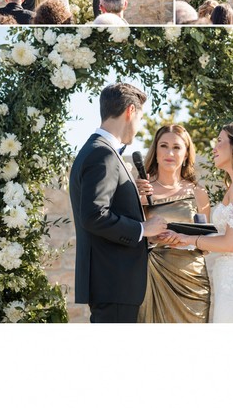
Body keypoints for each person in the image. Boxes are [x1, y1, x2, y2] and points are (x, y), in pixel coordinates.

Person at [160, 122, 233, 323]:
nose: (214, 148)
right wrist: (183, 241)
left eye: (219, 141)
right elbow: (223, 240)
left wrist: (188, 237)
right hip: (228, 287)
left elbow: (232, 244)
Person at [68, 83, 169, 323]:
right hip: (114, 281)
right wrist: (144, 229)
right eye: (141, 117)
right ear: (130, 111)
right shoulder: (102, 154)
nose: (140, 126)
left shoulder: (99, 151)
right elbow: (94, 216)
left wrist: (131, 192)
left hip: (113, 282)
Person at [134, 125, 212, 323]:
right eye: (164, 146)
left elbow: (208, 244)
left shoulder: (198, 193)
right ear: (156, 151)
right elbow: (129, 234)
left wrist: (185, 240)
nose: (170, 153)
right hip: (153, 276)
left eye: (177, 147)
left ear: (186, 154)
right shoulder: (140, 191)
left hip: (192, 282)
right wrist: (151, 237)